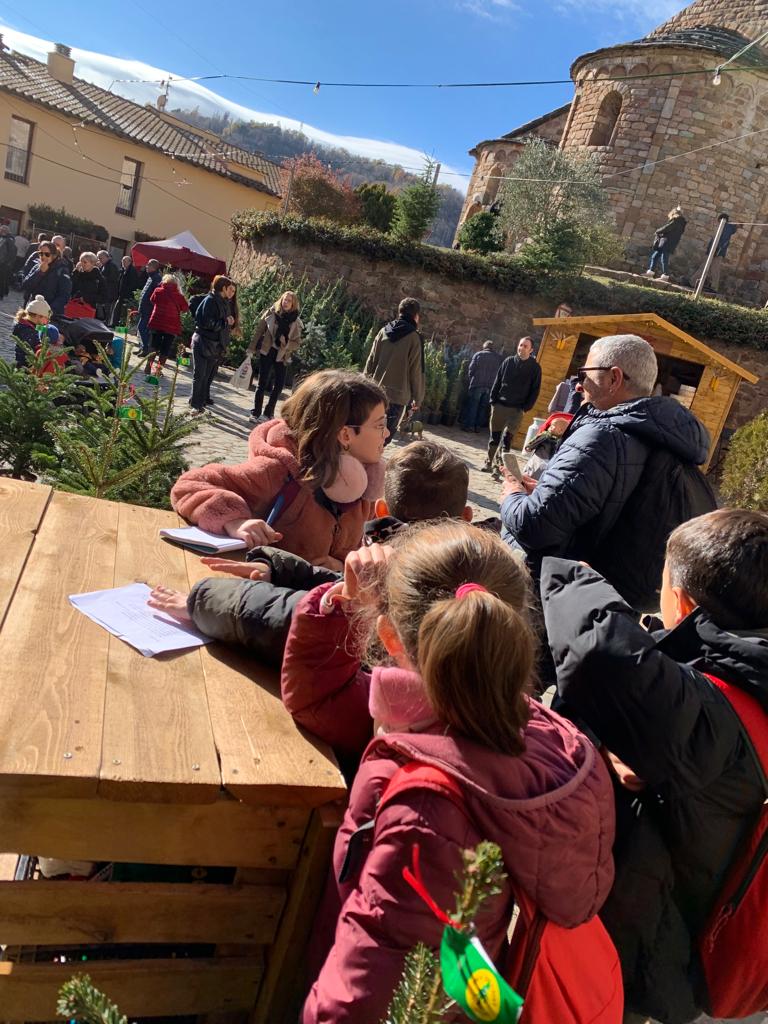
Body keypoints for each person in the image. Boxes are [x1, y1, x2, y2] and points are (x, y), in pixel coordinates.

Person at [280, 521, 615, 1023]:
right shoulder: (545, 736)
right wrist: (335, 607)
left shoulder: (428, 814)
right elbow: (321, 699)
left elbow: (370, 998)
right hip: (477, 987)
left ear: (388, 637)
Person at [540, 509, 768, 1024]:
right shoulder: (749, 671)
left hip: (656, 952)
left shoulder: (706, 714)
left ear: (682, 603)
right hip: (706, 902)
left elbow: (600, 656)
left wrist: (574, 574)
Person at [150, 440, 473, 669]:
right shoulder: (472, 571)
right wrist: (282, 570)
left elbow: (297, 620)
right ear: (467, 517)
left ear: (381, 509)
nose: (385, 434)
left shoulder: (396, 577)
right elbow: (337, 589)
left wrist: (201, 601)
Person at [500, 334, 709, 594]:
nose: (579, 384)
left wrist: (513, 494)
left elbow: (534, 526)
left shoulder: (601, 436)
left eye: (585, 373)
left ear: (614, 378)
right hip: (606, 595)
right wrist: (548, 492)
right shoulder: (657, 436)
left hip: (558, 592)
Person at [171, 369, 388, 568]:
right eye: (380, 425)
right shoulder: (278, 472)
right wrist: (235, 521)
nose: (386, 434)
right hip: (259, 590)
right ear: (345, 435)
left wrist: (340, 567)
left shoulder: (362, 485)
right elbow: (189, 486)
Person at [364, 297, 425, 442]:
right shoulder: (414, 338)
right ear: (416, 316)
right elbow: (416, 371)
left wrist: (364, 386)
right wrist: (418, 398)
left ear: (400, 312)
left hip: (376, 392)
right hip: (398, 397)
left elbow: (371, 362)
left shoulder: (383, 331)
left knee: (370, 432)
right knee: (385, 437)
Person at [483, 335, 541, 475]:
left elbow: (535, 390)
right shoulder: (508, 361)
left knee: (507, 440)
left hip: (517, 409)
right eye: (520, 345)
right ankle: (489, 462)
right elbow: (497, 381)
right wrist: (493, 400)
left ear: (531, 350)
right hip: (500, 405)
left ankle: (498, 467)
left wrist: (525, 407)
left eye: (525, 346)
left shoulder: (535, 368)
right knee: (494, 437)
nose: (522, 348)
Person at [247, 291, 303, 423]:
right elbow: (259, 331)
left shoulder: (296, 321)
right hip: (267, 350)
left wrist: (286, 343)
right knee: (262, 383)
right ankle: (255, 413)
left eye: (289, 301)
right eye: (284, 299)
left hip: (282, 355)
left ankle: (268, 413)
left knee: (279, 385)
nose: (286, 302)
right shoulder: (271, 313)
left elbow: (297, 343)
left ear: (293, 304)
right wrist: (251, 348)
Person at [189, 276, 235, 414]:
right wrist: (225, 322)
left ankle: (199, 402)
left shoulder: (223, 302)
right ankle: (195, 404)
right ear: (223, 288)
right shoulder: (210, 300)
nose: (231, 292)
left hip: (215, 345)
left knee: (206, 376)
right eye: (229, 288)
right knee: (199, 375)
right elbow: (207, 323)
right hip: (203, 342)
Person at [144, 274, 188, 378]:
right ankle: (158, 371)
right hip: (171, 325)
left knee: (153, 345)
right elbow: (185, 308)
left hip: (157, 322)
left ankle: (148, 367)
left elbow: (152, 300)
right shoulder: (179, 296)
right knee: (165, 348)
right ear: (176, 284)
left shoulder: (158, 291)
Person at [460, 339, 503, 432]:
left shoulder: (478, 354)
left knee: (473, 405)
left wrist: (472, 379)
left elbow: (471, 369)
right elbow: (499, 373)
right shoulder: (498, 358)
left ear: (484, 347)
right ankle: (477, 427)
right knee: (483, 407)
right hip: (489, 386)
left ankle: (470, 426)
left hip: (477, 384)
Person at [20, 241, 72, 318]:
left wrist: (49, 311)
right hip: (33, 309)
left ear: (54, 255)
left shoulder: (62, 270)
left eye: (47, 254)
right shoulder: (37, 266)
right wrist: (39, 273)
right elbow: (26, 286)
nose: (43, 257)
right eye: (41, 254)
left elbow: (64, 295)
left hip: (50, 313)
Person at [521, 412, 572, 480]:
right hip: (541, 457)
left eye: (552, 426)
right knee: (533, 470)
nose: (549, 428)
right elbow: (536, 441)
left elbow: (536, 441)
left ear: (560, 431)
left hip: (543, 458)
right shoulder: (547, 435)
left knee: (534, 472)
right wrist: (530, 446)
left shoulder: (547, 436)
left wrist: (529, 447)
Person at [695, 221, 739, 295]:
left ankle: (714, 287)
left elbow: (723, 241)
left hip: (716, 252)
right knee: (705, 267)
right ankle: (693, 282)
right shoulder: (727, 227)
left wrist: (716, 251)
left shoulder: (726, 227)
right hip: (715, 251)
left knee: (713, 269)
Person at [13, 294, 55, 367]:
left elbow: (45, 330)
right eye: (47, 318)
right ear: (38, 316)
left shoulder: (30, 325)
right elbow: (31, 348)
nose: (48, 321)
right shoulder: (27, 330)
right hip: (25, 365)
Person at [645, 206, 686, 281]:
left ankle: (665, 275)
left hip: (667, 242)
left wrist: (658, 231)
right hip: (668, 242)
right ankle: (650, 273)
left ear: (673, 213)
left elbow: (667, 228)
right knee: (655, 256)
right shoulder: (681, 223)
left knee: (664, 259)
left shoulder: (676, 221)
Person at [135, 259, 161, 357]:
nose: (146, 267)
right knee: (140, 328)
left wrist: (149, 306)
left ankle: (145, 349)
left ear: (153, 267)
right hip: (144, 308)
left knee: (142, 328)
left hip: (148, 309)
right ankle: (142, 347)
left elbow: (155, 295)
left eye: (148, 265)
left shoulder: (156, 278)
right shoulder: (151, 277)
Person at [111, 255, 140, 327]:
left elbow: (133, 284)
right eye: (122, 261)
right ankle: (115, 324)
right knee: (117, 309)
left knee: (123, 311)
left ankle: (119, 325)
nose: (123, 263)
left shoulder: (132, 271)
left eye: (125, 261)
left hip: (127, 295)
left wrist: (126, 293)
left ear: (130, 262)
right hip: (121, 294)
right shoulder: (123, 270)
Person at [97, 250, 119, 321]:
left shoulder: (111, 266)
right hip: (105, 292)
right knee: (103, 311)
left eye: (101, 258)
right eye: (99, 258)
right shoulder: (105, 265)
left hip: (109, 293)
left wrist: (101, 278)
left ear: (107, 257)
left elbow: (113, 279)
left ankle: (105, 323)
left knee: (106, 311)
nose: (100, 260)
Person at [0, 225, 17, 299]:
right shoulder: (3, 238)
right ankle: (5, 292)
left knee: (2, 279)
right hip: (3, 262)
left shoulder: (9, 239)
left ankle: (1, 294)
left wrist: (7, 262)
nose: (0, 231)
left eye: (1, 230)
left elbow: (11, 253)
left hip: (4, 263)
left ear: (5, 231)